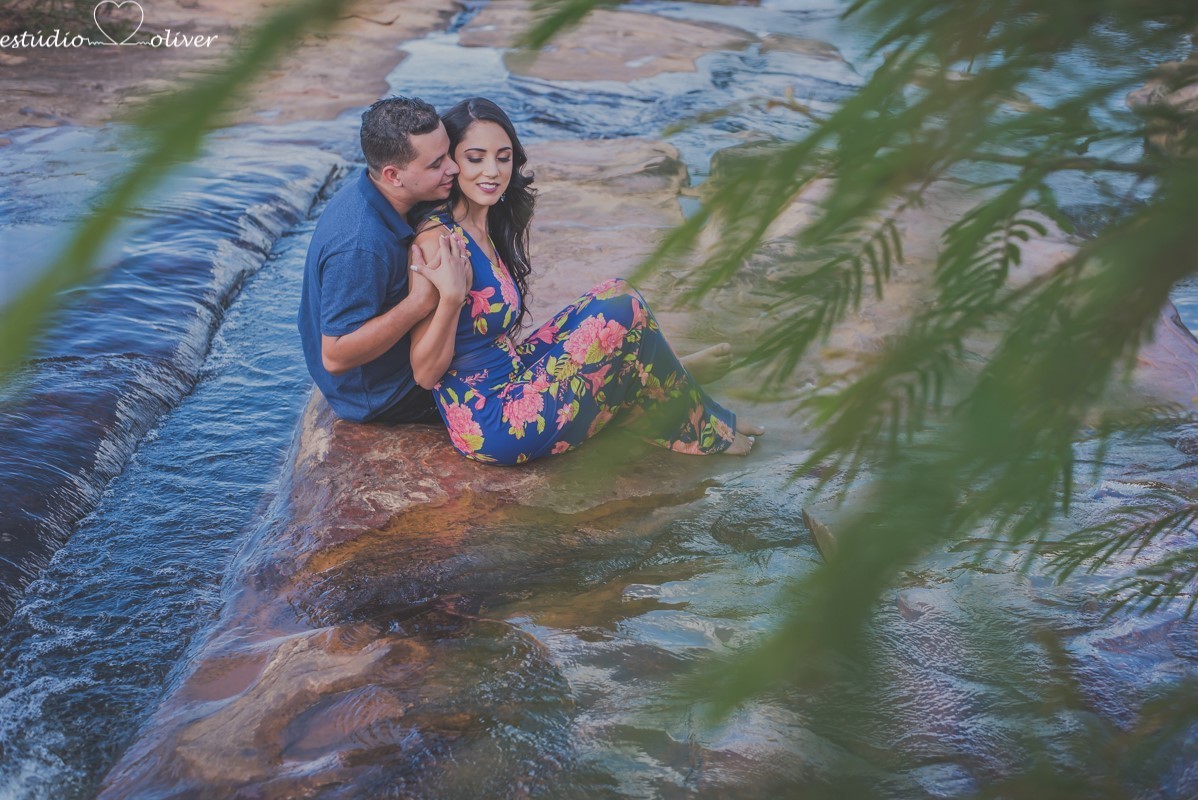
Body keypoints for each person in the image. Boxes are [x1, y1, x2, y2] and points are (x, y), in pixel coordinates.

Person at [406, 97, 763, 465]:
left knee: (616, 293)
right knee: (620, 314)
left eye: (503, 157)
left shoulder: (483, 224)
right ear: (451, 162)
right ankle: (692, 416)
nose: (493, 171)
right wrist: (450, 298)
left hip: (513, 377)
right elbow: (424, 373)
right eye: (475, 158)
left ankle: (678, 386)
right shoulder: (440, 241)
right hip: (494, 424)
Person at [298, 96, 470, 424]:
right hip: (385, 395)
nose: (454, 167)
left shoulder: (375, 190)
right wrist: (419, 303)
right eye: (436, 164)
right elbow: (334, 356)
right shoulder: (360, 245)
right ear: (393, 175)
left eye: (449, 153)